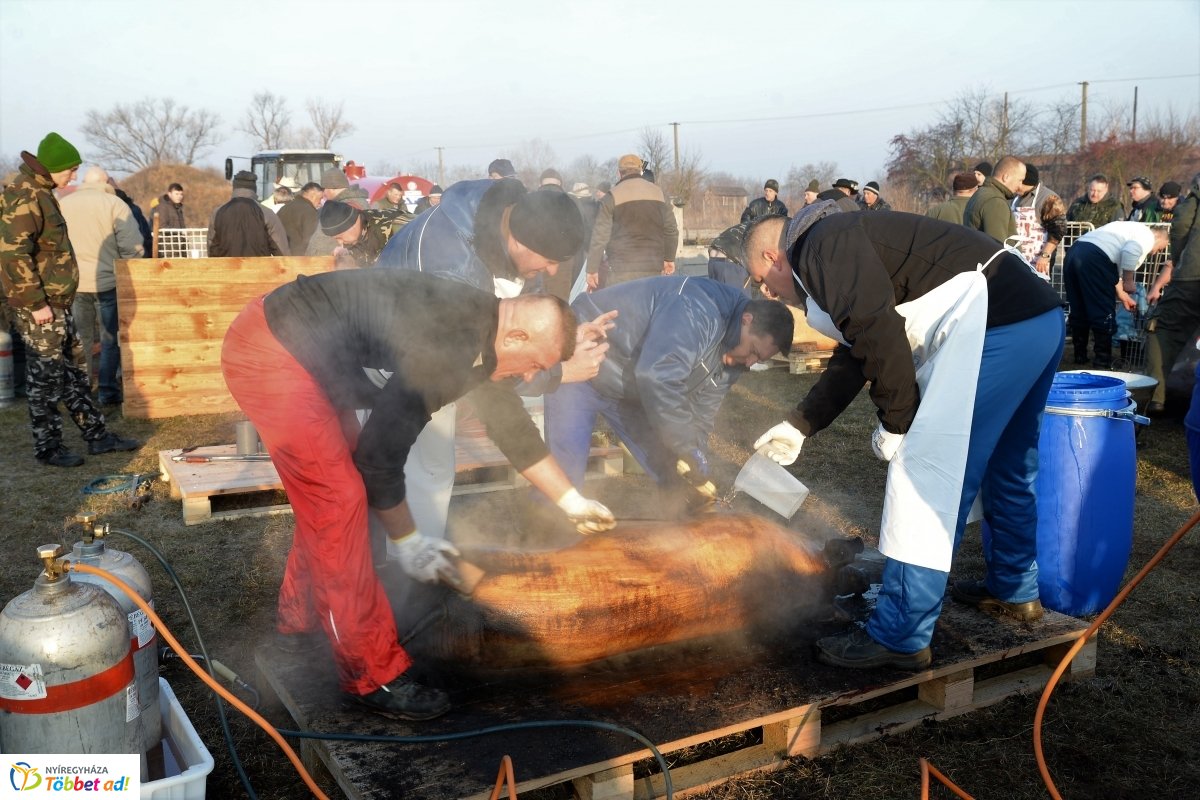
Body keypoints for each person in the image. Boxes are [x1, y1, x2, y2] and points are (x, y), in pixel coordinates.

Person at [221, 269, 613, 718]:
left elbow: (511, 426)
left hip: (305, 349)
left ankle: (302, 615)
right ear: (517, 335)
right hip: (272, 349)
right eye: (536, 365)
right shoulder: (448, 348)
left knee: (336, 492)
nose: (530, 377)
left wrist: (571, 501)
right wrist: (411, 542)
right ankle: (369, 674)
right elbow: (380, 461)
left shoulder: (485, 330)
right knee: (340, 499)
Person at [742, 203, 1065, 670]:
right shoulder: (838, 242)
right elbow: (856, 349)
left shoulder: (820, 247)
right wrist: (801, 422)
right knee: (1009, 465)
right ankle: (1015, 589)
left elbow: (879, 334)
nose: (766, 292)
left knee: (926, 473)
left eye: (760, 279)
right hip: (1038, 321)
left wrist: (899, 425)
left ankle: (900, 634)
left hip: (997, 329)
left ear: (774, 256)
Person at [376, 178, 614, 541]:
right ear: (519, 239)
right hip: (385, 360)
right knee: (411, 467)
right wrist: (558, 372)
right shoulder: (455, 271)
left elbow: (517, 329)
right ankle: (403, 570)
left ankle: (415, 555)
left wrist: (560, 341)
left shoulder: (502, 220)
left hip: (430, 350)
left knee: (432, 468)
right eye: (549, 261)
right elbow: (495, 390)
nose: (552, 272)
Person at [545, 276, 793, 514]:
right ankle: (544, 537)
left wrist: (695, 454)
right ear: (747, 320)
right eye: (753, 351)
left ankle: (683, 532)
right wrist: (685, 444)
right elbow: (657, 375)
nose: (749, 362)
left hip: (632, 386)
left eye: (758, 359)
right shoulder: (698, 308)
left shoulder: (735, 355)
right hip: (582, 362)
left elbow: (703, 410)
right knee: (564, 473)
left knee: (672, 467)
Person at [0, 132, 141, 467]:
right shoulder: (25, 195)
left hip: (58, 303)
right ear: (52, 168)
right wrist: (36, 304)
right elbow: (12, 253)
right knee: (45, 378)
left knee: (75, 373)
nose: (73, 177)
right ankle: (49, 448)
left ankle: (97, 436)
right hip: (41, 306)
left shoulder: (43, 192)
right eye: (70, 171)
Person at [59, 166, 144, 405]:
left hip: (75, 283)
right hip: (108, 281)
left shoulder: (64, 204)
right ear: (106, 181)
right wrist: (128, 270)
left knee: (81, 339)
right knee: (109, 339)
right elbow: (132, 247)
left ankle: (82, 391)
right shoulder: (114, 204)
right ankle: (107, 391)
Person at [1065, 221, 1169, 369]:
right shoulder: (1146, 235)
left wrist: (1122, 295)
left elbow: (1113, 271)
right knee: (1103, 311)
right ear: (1159, 238)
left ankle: (1080, 355)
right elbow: (1130, 251)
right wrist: (1128, 281)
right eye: (1161, 248)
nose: (1156, 253)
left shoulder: (1127, 229)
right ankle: (1102, 360)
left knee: (1079, 307)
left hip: (1075, 251)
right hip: (1096, 258)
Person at [1145, 172, 1200, 413]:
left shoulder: (1194, 198)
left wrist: (1179, 259)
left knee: (1162, 328)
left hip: (1192, 275)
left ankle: (1157, 396)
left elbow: (1180, 224)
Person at [587, 153, 679, 288]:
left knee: (623, 308)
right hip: (653, 267)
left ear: (619, 173)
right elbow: (671, 229)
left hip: (621, 269)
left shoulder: (611, 196)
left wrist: (592, 269)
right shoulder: (659, 193)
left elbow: (600, 236)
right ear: (640, 171)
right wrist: (669, 258)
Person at [208, 170, 289, 257]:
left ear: (234, 188)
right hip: (259, 269)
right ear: (254, 188)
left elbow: (212, 249)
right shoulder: (267, 213)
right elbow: (281, 252)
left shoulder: (218, 213)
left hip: (227, 269)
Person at [1010, 164, 1067, 276]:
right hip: (1016, 258)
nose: (1015, 186)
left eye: (1018, 181)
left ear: (1026, 182)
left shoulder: (1049, 198)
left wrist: (1044, 255)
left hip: (1038, 260)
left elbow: (1058, 230)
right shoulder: (1014, 198)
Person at [318, 200, 405, 268]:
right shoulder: (360, 226)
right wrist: (348, 254)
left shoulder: (392, 226)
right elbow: (365, 248)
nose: (340, 243)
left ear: (351, 225)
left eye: (339, 237)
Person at [306, 168, 371, 257]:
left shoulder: (334, 210)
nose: (324, 194)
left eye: (324, 189)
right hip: (365, 260)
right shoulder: (363, 202)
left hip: (343, 264)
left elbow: (317, 245)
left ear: (331, 188)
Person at [963, 155, 1024, 244]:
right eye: (1020, 180)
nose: (1020, 185)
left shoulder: (981, 193)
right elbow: (997, 248)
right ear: (1006, 177)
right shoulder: (995, 202)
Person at [706, 222, 754, 297]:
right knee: (740, 303)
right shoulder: (768, 228)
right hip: (731, 261)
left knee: (718, 301)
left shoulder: (752, 223)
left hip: (714, 256)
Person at [277, 181, 323, 255]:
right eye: (320, 198)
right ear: (312, 196)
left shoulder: (284, 208)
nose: (320, 202)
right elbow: (311, 240)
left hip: (281, 257)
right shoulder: (310, 212)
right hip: (300, 260)